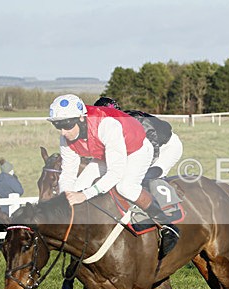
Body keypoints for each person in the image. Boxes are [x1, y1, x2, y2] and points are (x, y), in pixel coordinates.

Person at [47, 94, 179, 257]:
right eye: (58, 126)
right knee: (76, 187)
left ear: (81, 118)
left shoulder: (106, 125)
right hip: (104, 153)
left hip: (137, 150)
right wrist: (65, 199)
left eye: (67, 125)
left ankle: (167, 226)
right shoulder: (65, 137)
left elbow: (115, 173)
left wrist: (84, 195)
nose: (63, 132)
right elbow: (67, 173)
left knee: (126, 188)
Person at [93, 96, 183, 178]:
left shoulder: (135, 120)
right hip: (149, 147)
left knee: (146, 178)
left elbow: (153, 145)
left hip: (167, 147)